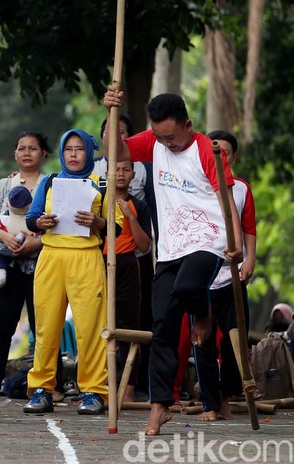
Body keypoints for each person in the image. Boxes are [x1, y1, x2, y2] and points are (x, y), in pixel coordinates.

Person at [103, 89, 243, 435]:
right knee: (162, 321)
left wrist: (236, 242)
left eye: (173, 137)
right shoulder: (153, 142)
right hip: (170, 247)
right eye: (160, 137)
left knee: (189, 287)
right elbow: (114, 151)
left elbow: (226, 199)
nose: (167, 144)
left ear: (188, 125)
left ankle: (204, 313)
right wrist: (111, 111)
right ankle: (160, 405)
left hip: (209, 239)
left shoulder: (206, 151)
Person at [23, 129, 123, 416]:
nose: (74, 154)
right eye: (68, 149)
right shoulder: (51, 181)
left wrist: (97, 221)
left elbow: (115, 227)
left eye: (79, 149)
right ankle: (41, 388)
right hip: (51, 256)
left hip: (86, 256)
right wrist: (41, 221)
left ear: (89, 151)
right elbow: (31, 219)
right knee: (46, 326)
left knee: (91, 327)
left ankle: (94, 391)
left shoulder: (102, 182)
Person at [0, 131, 49, 401]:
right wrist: (7, 238)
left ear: (44, 153)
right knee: (2, 325)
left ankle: (45, 384)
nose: (27, 153)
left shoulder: (51, 184)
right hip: (5, 266)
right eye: (21, 148)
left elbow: (59, 225)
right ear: (15, 153)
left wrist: (35, 244)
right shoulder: (3, 185)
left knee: (42, 324)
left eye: (33, 148)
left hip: (41, 264)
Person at [193, 130, 256, 421]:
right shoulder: (195, 183)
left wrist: (249, 258)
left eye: (226, 152)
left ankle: (226, 396)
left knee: (235, 338)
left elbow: (248, 226)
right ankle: (209, 404)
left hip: (232, 275)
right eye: (215, 152)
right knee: (203, 340)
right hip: (203, 276)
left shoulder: (241, 188)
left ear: (234, 156)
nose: (221, 157)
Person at [106, 160, 151, 402]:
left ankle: (128, 391)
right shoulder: (99, 200)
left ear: (133, 175)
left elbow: (144, 245)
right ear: (107, 173)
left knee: (127, 327)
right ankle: (97, 389)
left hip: (127, 266)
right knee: (95, 325)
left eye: (126, 169)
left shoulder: (139, 206)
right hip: (98, 263)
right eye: (116, 169)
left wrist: (130, 217)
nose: (121, 174)